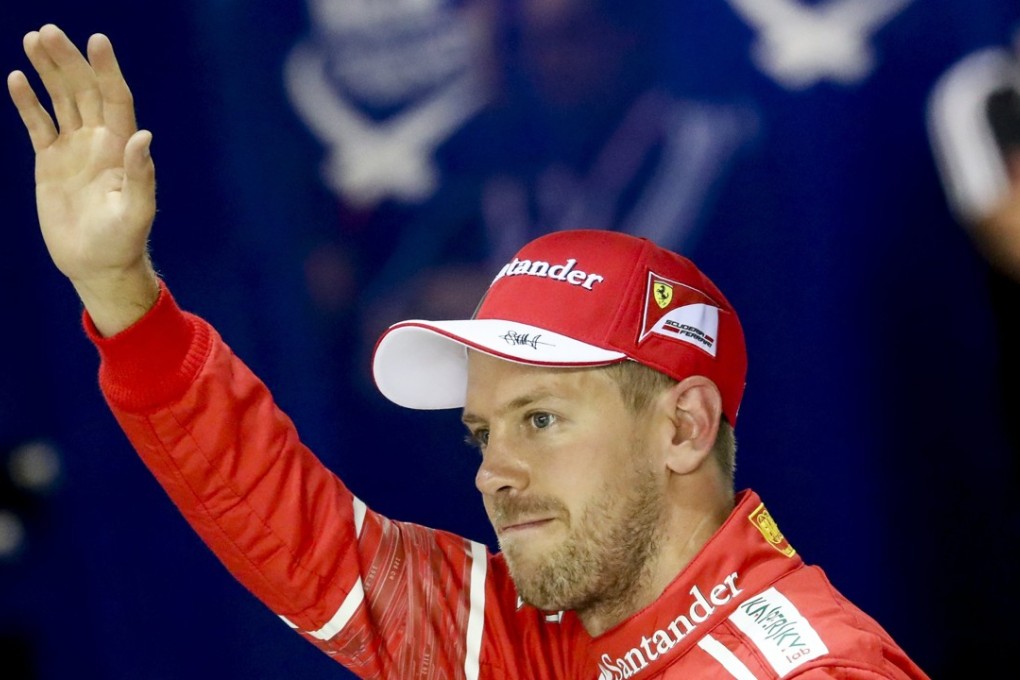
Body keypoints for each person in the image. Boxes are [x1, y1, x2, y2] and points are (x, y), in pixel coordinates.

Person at [8, 24, 929, 679]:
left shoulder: (806, 669)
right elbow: (298, 531)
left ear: (683, 426)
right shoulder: (543, 641)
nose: (494, 472)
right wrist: (121, 293)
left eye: (539, 418)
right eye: (481, 433)